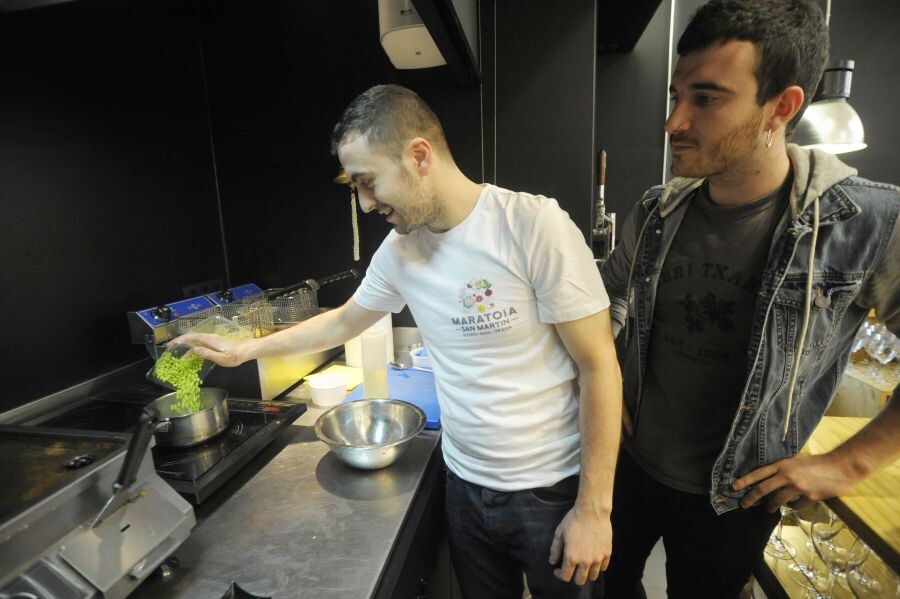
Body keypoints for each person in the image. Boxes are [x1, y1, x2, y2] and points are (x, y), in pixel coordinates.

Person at [181, 84, 622, 599]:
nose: (365, 204)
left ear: (418, 156)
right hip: (463, 487)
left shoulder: (532, 225)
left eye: (368, 183)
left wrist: (594, 510)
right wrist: (244, 350)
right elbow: (345, 321)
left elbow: (599, 367)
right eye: (355, 189)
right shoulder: (399, 251)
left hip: (550, 491)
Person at [599, 0, 900, 597]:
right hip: (626, 465)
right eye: (675, 96)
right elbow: (607, 300)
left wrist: (849, 464)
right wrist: (606, 376)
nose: (675, 121)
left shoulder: (866, 220)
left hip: (736, 495)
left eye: (706, 98)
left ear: (782, 108)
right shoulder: (657, 211)